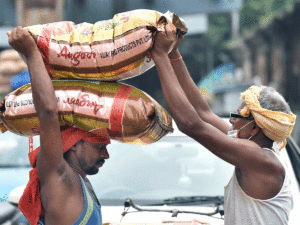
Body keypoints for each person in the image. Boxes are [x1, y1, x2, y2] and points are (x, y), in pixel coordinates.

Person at [150, 24, 297, 224]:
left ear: (254, 128)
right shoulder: (256, 149)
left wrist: (159, 55)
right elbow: (204, 113)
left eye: (238, 116)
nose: (231, 120)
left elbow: (190, 124)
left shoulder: (260, 159)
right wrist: (173, 54)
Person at [7, 27, 110, 225]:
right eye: (99, 147)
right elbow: (48, 113)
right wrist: (31, 53)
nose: (106, 155)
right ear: (74, 144)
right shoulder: (59, 175)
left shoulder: (82, 182)